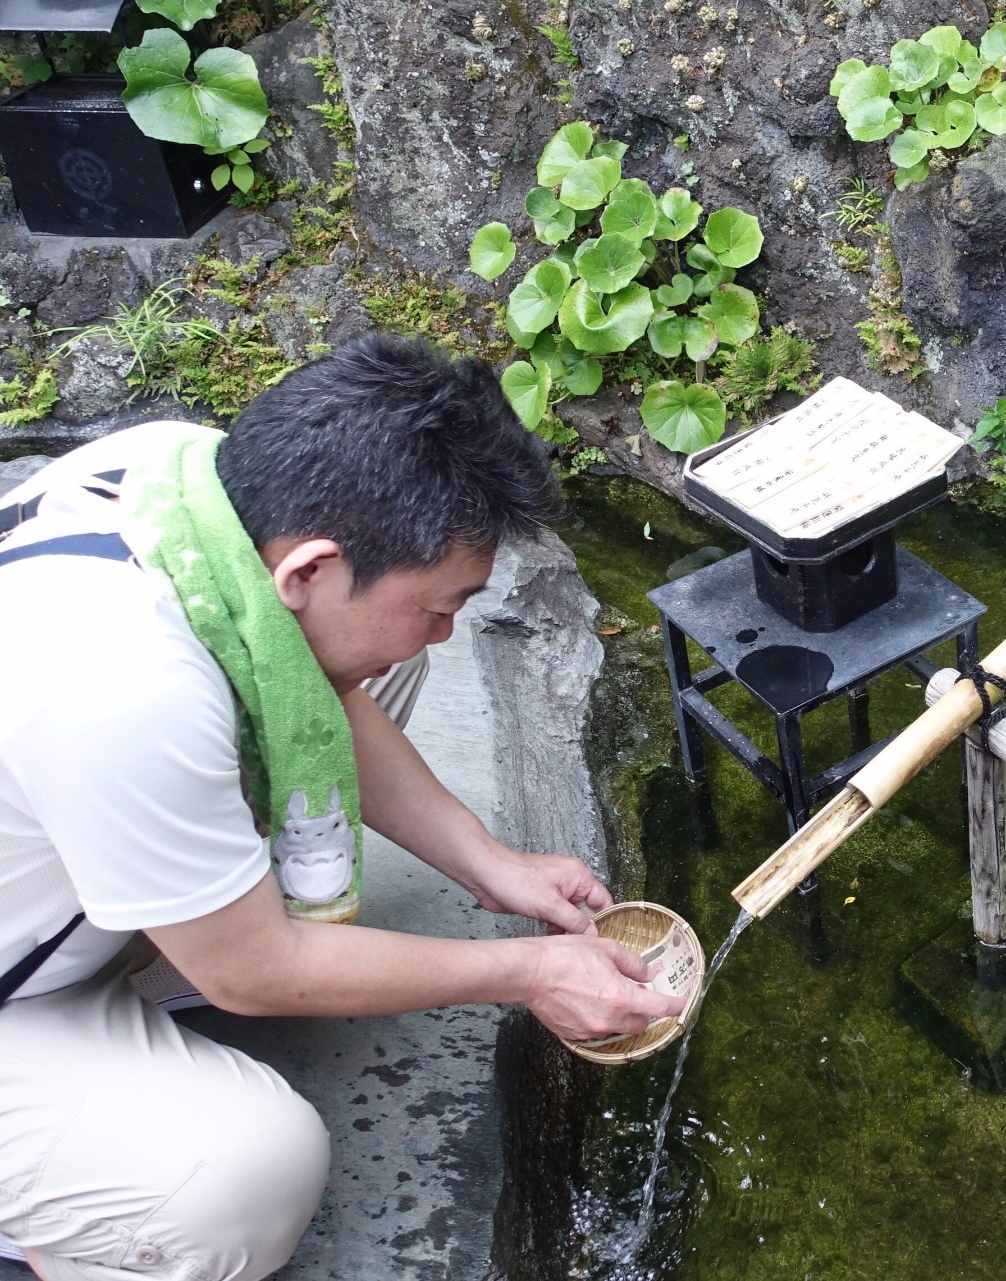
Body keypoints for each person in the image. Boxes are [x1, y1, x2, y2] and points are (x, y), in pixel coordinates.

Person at [0, 335, 687, 1281]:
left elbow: (313, 700)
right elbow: (254, 971)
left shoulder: (194, 488)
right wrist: (531, 973)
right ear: (309, 570)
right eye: (437, 606)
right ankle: (69, 1216)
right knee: (244, 1175)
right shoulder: (123, 691)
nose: (444, 636)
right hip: (20, 987)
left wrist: (488, 862)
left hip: (56, 874)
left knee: (362, 669)